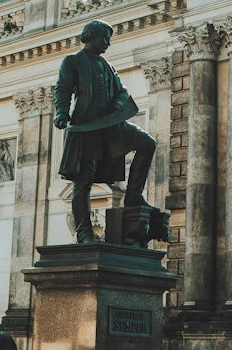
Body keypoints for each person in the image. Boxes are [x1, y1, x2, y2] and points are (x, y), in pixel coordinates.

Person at [54, 20, 156, 245]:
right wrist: (61, 112)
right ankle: (84, 232)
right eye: (105, 38)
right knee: (84, 180)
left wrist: (120, 102)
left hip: (110, 125)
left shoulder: (108, 66)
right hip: (86, 127)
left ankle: (133, 195)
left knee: (147, 143)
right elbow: (62, 89)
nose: (108, 43)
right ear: (92, 36)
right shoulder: (73, 62)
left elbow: (122, 91)